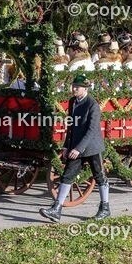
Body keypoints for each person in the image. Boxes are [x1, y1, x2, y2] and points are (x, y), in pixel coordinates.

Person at [39, 73, 110, 222]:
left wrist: (79, 148)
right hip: (76, 146)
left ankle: (105, 208)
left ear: (85, 89)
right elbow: (70, 126)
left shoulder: (92, 105)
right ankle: (56, 209)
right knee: (67, 175)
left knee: (99, 176)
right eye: (73, 86)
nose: (74, 89)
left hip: (92, 147)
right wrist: (67, 146)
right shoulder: (72, 102)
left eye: (77, 87)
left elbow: (92, 130)